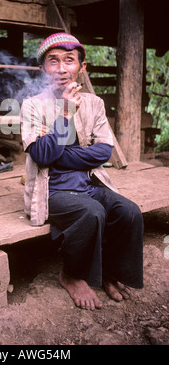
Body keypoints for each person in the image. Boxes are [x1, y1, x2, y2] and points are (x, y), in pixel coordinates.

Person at [20, 32, 144, 310]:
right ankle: (72, 275)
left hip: (88, 185)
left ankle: (113, 273)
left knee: (129, 211)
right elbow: (41, 156)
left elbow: (103, 151)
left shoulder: (93, 103)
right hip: (51, 190)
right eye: (53, 62)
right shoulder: (32, 106)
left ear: (82, 67)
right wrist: (65, 115)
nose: (61, 69)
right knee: (91, 212)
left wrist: (57, 149)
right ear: (42, 69)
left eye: (69, 60)